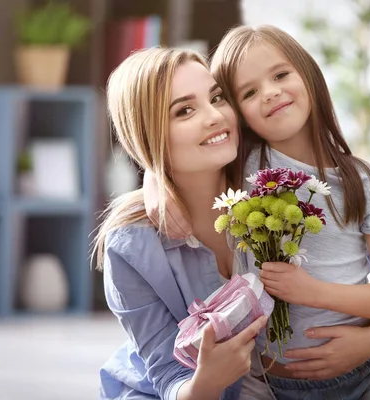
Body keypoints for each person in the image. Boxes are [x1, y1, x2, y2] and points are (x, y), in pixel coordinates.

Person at [144, 25, 370, 399]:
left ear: (308, 74)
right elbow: (177, 155)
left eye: (280, 74)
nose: (271, 93)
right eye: (249, 92)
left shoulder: (362, 181)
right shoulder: (241, 169)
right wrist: (154, 180)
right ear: (238, 114)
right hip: (274, 384)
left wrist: (314, 293)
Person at [94, 47, 269, 400]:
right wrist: (208, 380)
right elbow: (166, 373)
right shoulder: (131, 246)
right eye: (185, 110)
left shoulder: (274, 181)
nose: (215, 116)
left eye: (217, 97)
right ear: (148, 135)